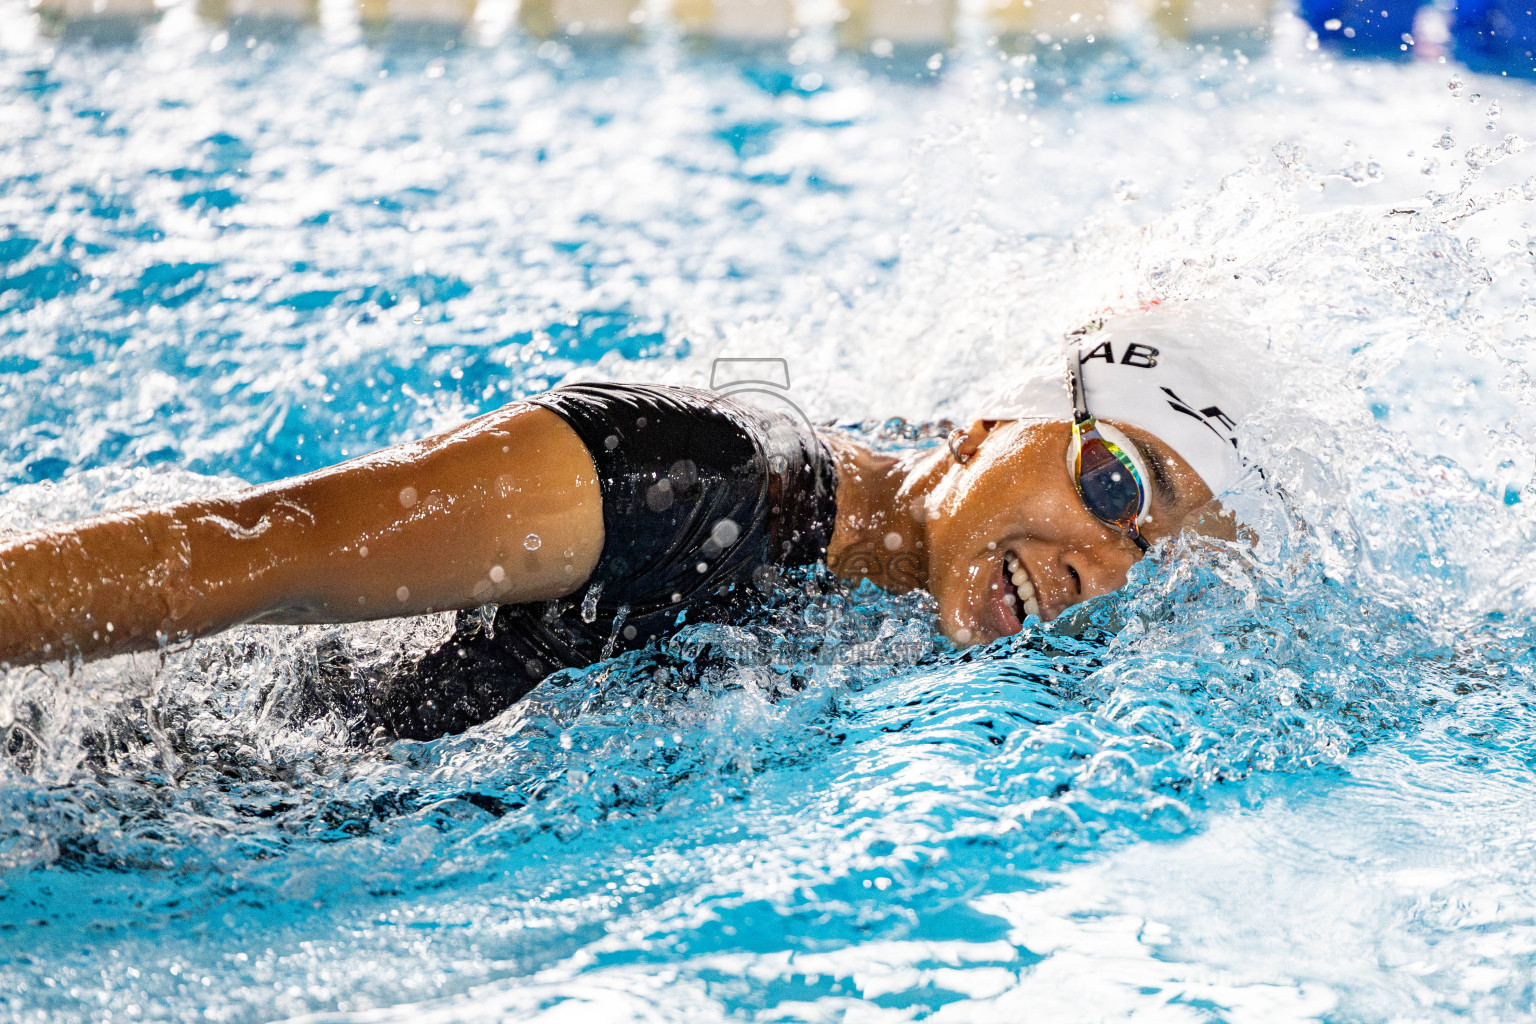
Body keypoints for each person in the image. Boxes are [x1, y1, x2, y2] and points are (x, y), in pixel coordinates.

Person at [0, 303, 1250, 739]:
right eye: (1114, 484)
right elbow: (251, 554)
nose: (1104, 566)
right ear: (989, 421)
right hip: (157, 773)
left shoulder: (903, 612)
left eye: (1154, 555)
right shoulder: (681, 478)